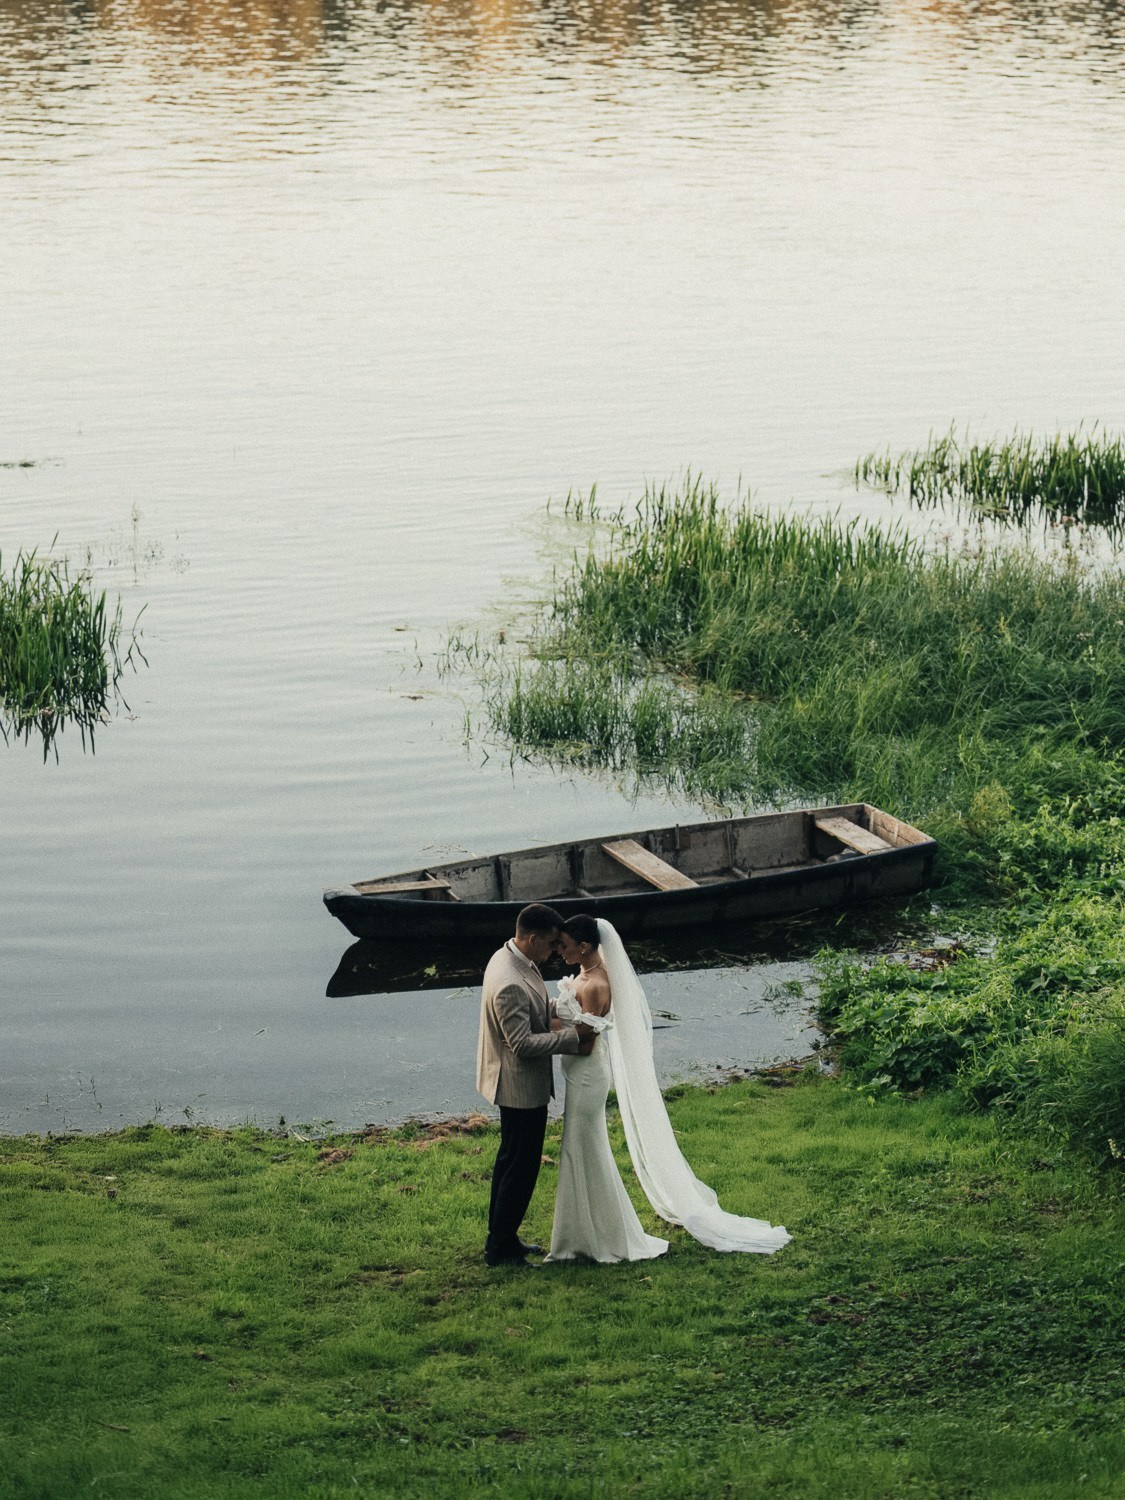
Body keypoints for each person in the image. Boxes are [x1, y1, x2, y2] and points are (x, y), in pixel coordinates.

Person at [549, 915, 791, 1259]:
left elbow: (586, 1044)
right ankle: (583, 1232)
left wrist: (544, 1041)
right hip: (579, 1074)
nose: (559, 950)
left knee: (584, 1149)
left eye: (564, 944)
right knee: (581, 1149)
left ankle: (600, 1236)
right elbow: (574, 1022)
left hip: (587, 1074)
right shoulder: (584, 978)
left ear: (584, 946)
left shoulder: (596, 985)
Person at [476, 903, 594, 1268]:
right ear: (531, 939)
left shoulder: (510, 958)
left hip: (510, 1079)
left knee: (510, 1161)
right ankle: (500, 1250)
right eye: (551, 944)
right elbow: (523, 1044)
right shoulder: (510, 982)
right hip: (518, 1085)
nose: (555, 951)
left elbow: (537, 1007)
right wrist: (575, 1035)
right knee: (521, 1168)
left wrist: (570, 1004)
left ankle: (502, 1237)